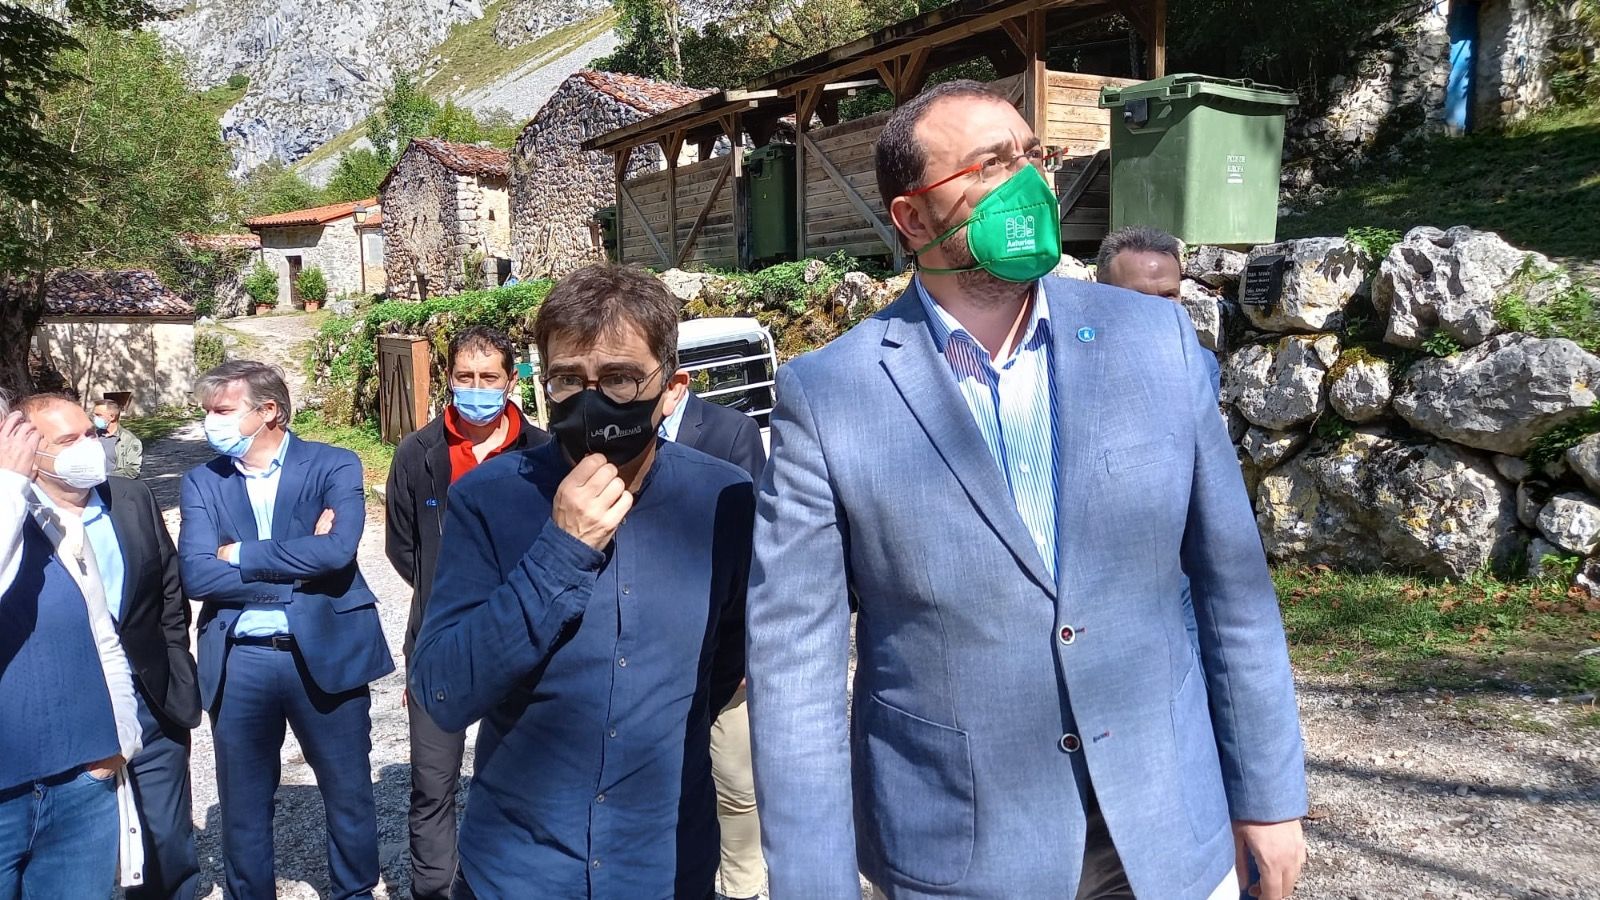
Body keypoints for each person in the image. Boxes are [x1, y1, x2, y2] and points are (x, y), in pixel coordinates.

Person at [746, 80, 1308, 900]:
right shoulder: (828, 396)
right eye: (990, 164)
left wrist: (1268, 797)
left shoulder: (1154, 343)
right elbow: (796, 668)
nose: (1028, 183)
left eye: (1031, 157)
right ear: (911, 219)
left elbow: (1234, 591)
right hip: (963, 852)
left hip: (1167, 827)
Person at [409, 263, 752, 899]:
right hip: (518, 870)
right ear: (544, 387)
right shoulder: (490, 499)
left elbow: (726, 660)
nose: (594, 400)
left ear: (672, 389)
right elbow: (443, 691)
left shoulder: (723, 499)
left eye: (621, 378)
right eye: (570, 380)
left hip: (662, 865)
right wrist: (560, 550)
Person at [178, 361, 394, 900]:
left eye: (222, 411)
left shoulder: (333, 465)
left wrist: (241, 555)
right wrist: (299, 568)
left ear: (268, 410)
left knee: (347, 792)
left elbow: (338, 551)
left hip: (326, 651)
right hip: (241, 660)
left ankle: (354, 892)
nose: (211, 423)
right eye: (207, 412)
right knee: (243, 803)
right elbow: (198, 574)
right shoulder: (203, 481)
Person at [385, 326, 550, 900]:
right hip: (441, 642)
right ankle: (435, 890)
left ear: (511, 382)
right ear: (449, 381)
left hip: (526, 639)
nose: (476, 389)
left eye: (489, 378)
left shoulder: (544, 453)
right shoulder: (417, 454)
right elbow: (402, 549)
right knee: (432, 785)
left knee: (525, 777)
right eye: (465, 377)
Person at [21, 395, 203, 900]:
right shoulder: (17, 522)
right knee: (86, 857)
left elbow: (169, 587)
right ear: (32, 453)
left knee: (167, 840)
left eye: (89, 433)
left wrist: (174, 658)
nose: (89, 447)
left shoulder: (130, 497)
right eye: (67, 441)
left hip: (152, 700)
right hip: (68, 717)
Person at [0, 391, 144, 898]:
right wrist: (11, 486)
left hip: (79, 787)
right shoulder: (12, 500)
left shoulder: (49, 522)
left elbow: (102, 638)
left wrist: (119, 742)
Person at [659, 391, 766, 900]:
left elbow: (756, 546)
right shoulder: (611, 436)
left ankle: (744, 887)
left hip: (724, 643)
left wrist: (747, 646)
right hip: (657, 650)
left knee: (736, 782)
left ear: (675, 383)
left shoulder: (731, 432)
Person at [1095, 225, 1221, 395]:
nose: (1156, 309)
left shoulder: (1201, 364)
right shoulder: (1073, 363)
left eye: (1167, 295)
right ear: (1100, 295)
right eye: (1138, 297)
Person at [94, 399, 144, 479]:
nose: (95, 418)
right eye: (95, 415)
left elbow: (132, 471)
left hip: (116, 487)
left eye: (98, 415)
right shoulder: (93, 437)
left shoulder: (129, 440)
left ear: (112, 417)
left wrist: (105, 477)